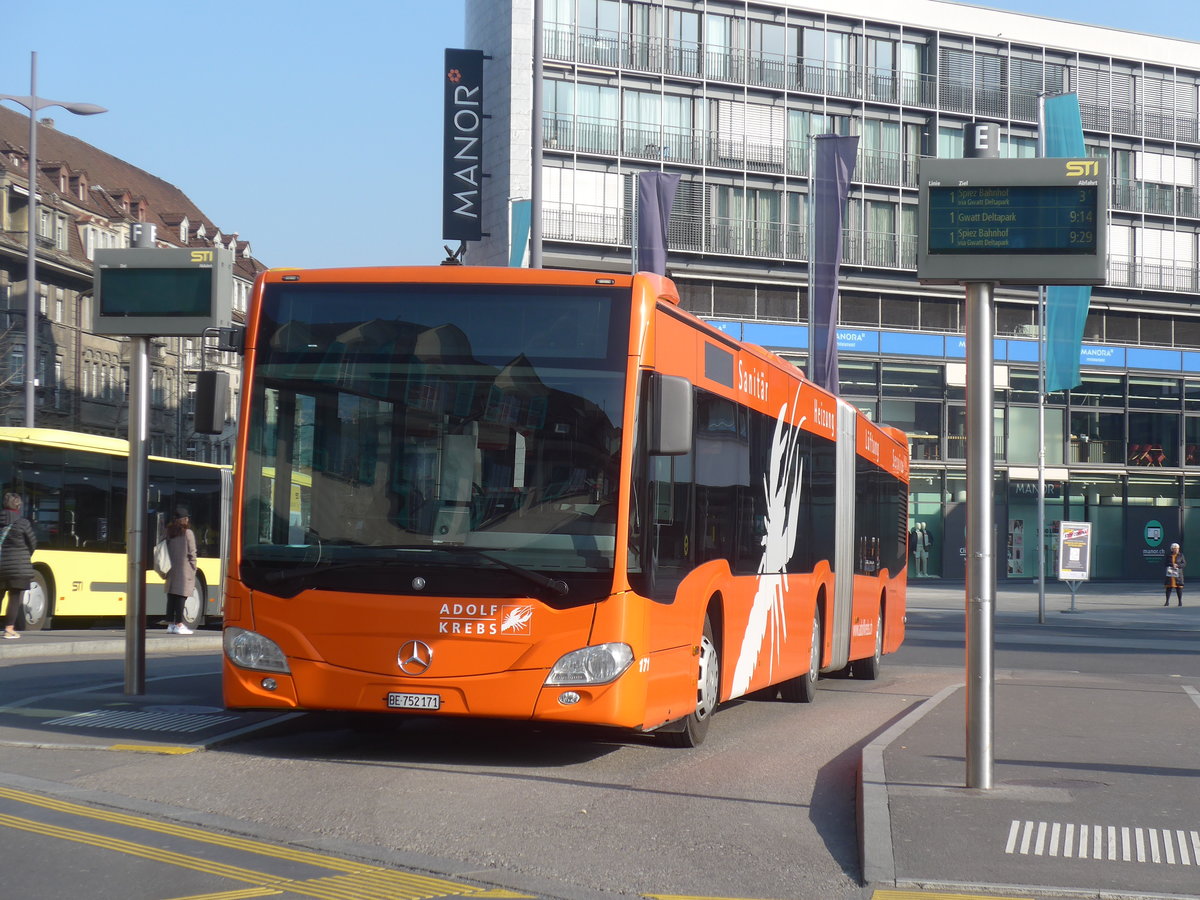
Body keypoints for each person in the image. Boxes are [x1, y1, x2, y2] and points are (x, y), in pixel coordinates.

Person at [1, 492, 37, 639]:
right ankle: (9, 630)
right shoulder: (23, 523)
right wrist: (24, 556)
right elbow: (32, 543)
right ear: (19, 506)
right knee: (14, 597)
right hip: (18, 567)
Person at [164, 506, 198, 634]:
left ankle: (171, 625)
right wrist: (193, 567)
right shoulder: (188, 533)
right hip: (185, 570)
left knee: (172, 596)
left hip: (172, 569)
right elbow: (192, 552)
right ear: (184, 520)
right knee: (181, 597)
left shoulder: (170, 532)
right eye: (187, 518)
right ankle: (179, 624)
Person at [1164, 542, 1185, 607]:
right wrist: (1171, 565)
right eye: (1175, 548)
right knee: (1169, 588)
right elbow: (1165, 563)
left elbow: (1184, 564)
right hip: (1170, 575)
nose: (1176, 550)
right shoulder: (1168, 555)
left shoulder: (1181, 555)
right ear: (1172, 549)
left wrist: (1177, 565)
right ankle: (1167, 602)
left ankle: (1180, 602)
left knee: (1179, 588)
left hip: (1178, 574)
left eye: (1177, 548)